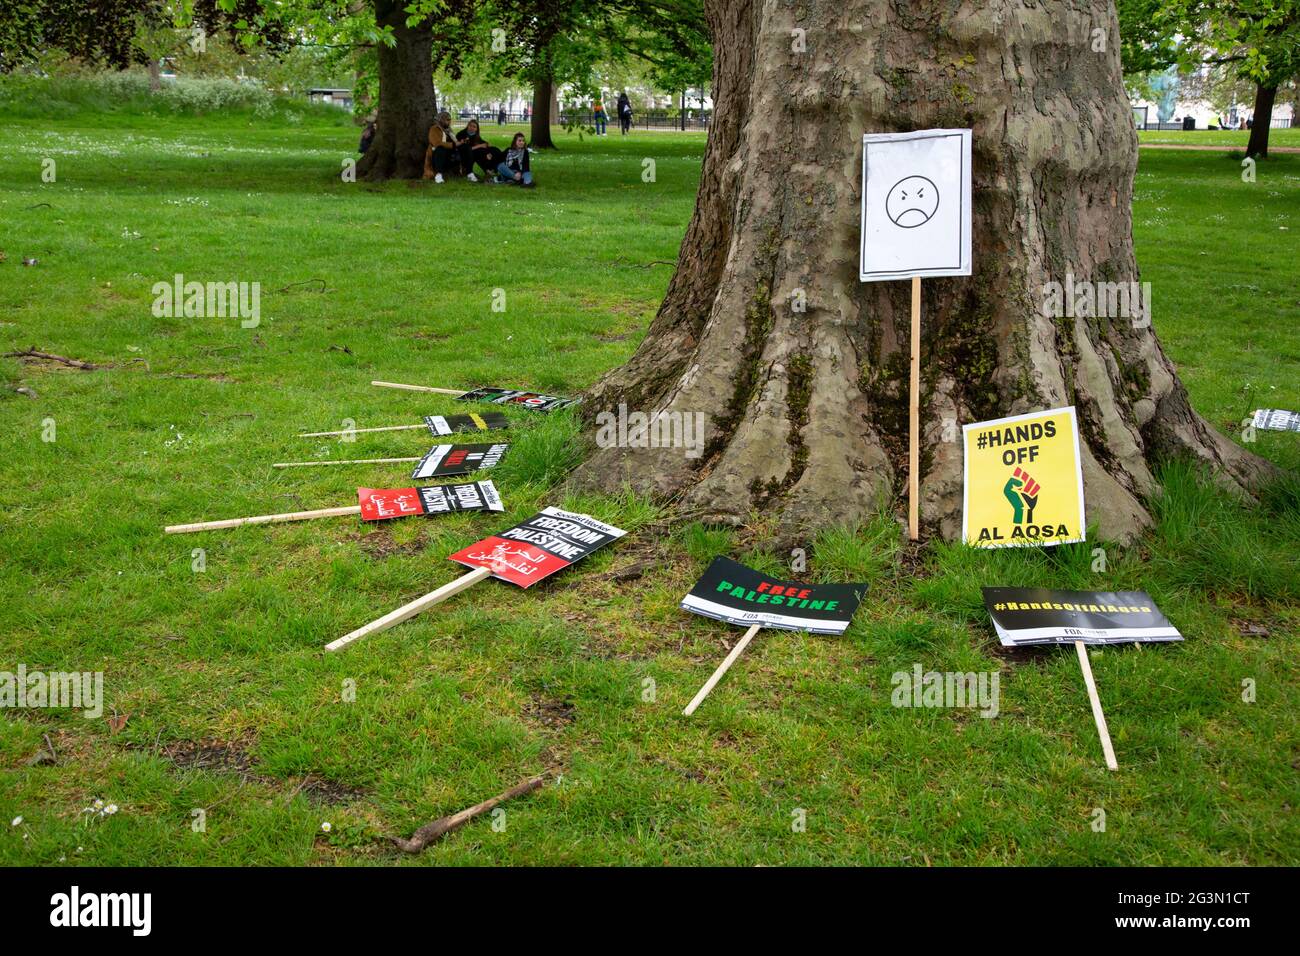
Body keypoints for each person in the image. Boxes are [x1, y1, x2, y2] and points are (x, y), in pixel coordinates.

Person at [456, 118, 503, 182]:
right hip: (464, 154)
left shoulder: (475, 135)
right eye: (470, 126)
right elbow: (467, 149)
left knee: (494, 150)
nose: (472, 128)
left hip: (474, 151)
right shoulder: (461, 134)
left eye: (474, 127)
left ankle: (495, 169)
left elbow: (481, 142)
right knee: (479, 152)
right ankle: (481, 171)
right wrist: (480, 146)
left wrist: (487, 145)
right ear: (467, 126)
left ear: (476, 129)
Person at [423, 111, 461, 183]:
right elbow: (437, 143)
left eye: (450, 119)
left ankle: (469, 173)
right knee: (441, 149)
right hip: (437, 155)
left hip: (450, 155)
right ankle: (438, 175)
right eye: (447, 120)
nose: (449, 122)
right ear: (441, 120)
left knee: (465, 148)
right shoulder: (434, 129)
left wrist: (460, 143)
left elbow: (455, 142)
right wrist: (453, 145)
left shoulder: (449, 131)